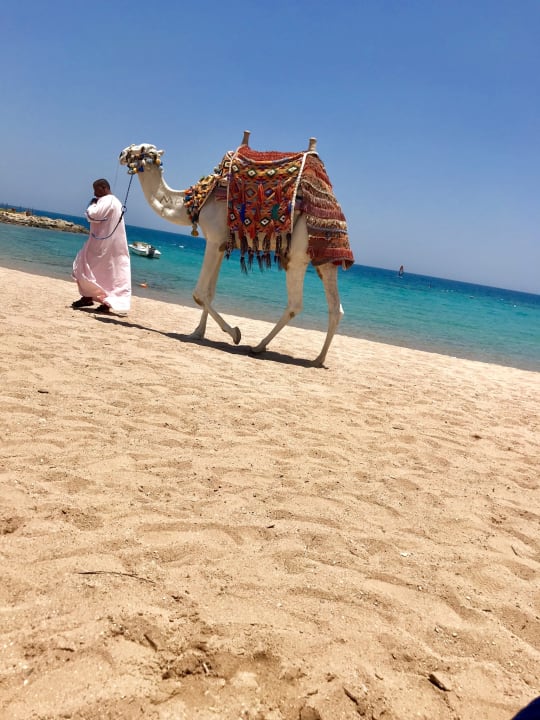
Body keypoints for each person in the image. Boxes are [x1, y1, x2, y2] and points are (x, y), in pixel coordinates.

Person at [72, 179, 131, 315]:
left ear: (104, 187)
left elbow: (93, 215)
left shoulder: (107, 200)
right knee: (108, 273)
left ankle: (89, 298)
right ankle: (98, 300)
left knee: (84, 267)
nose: (94, 193)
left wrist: (92, 204)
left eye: (96, 189)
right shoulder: (116, 201)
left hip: (101, 245)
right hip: (112, 245)